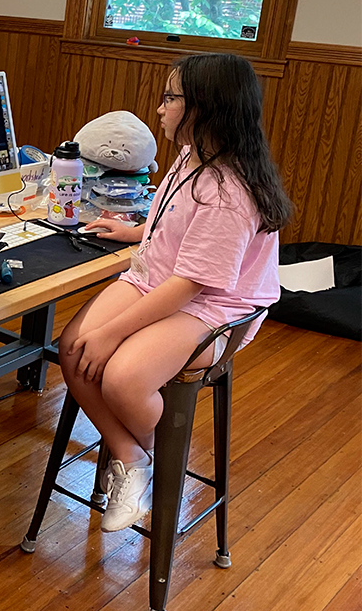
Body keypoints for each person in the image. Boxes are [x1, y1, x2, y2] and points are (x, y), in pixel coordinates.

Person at [60, 53, 291, 532]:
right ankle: (130, 455)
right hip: (160, 280)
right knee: (75, 350)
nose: (160, 108)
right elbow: (176, 218)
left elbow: (192, 285)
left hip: (211, 306)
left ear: (205, 107)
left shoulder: (230, 191)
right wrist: (138, 231)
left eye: (170, 98)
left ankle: (158, 459)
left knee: (122, 378)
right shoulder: (193, 154)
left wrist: (112, 335)